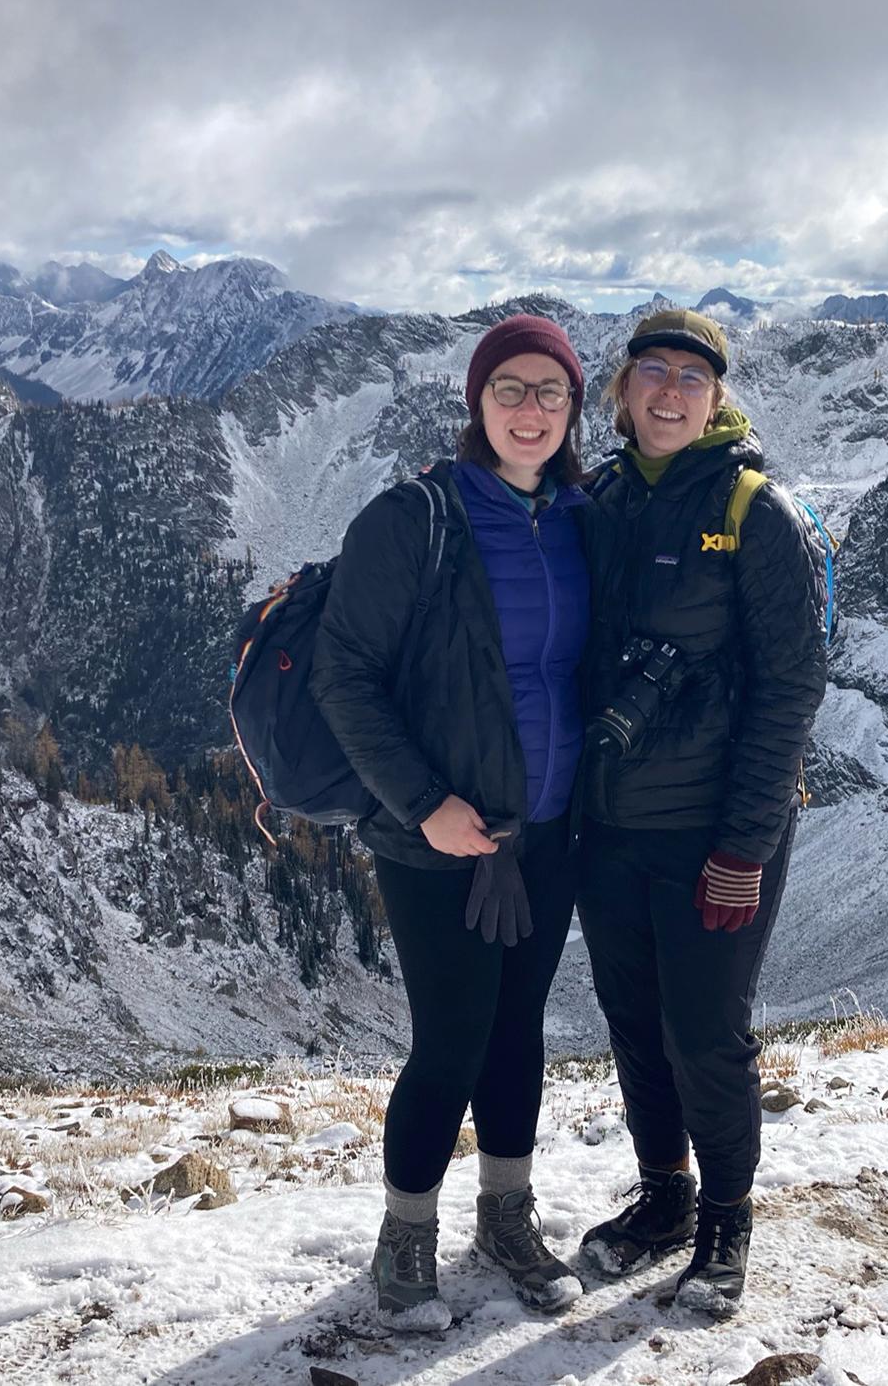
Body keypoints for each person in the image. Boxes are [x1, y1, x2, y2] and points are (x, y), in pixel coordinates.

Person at [311, 315, 591, 1329]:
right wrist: (424, 804)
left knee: (518, 1029)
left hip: (546, 831)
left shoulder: (576, 516)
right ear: (476, 403)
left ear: (573, 409)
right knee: (453, 1038)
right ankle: (407, 1232)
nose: (530, 409)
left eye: (550, 392)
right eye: (510, 388)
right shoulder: (414, 518)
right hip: (435, 843)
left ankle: (506, 1217)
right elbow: (345, 674)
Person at [574, 307, 826, 1316]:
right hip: (611, 826)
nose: (671, 390)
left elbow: (792, 688)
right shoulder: (596, 500)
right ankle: (664, 1200)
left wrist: (745, 847)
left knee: (704, 1034)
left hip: (714, 833)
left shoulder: (755, 511)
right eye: (653, 372)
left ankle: (726, 1220)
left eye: (693, 375)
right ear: (622, 391)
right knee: (634, 1023)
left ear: (716, 397)